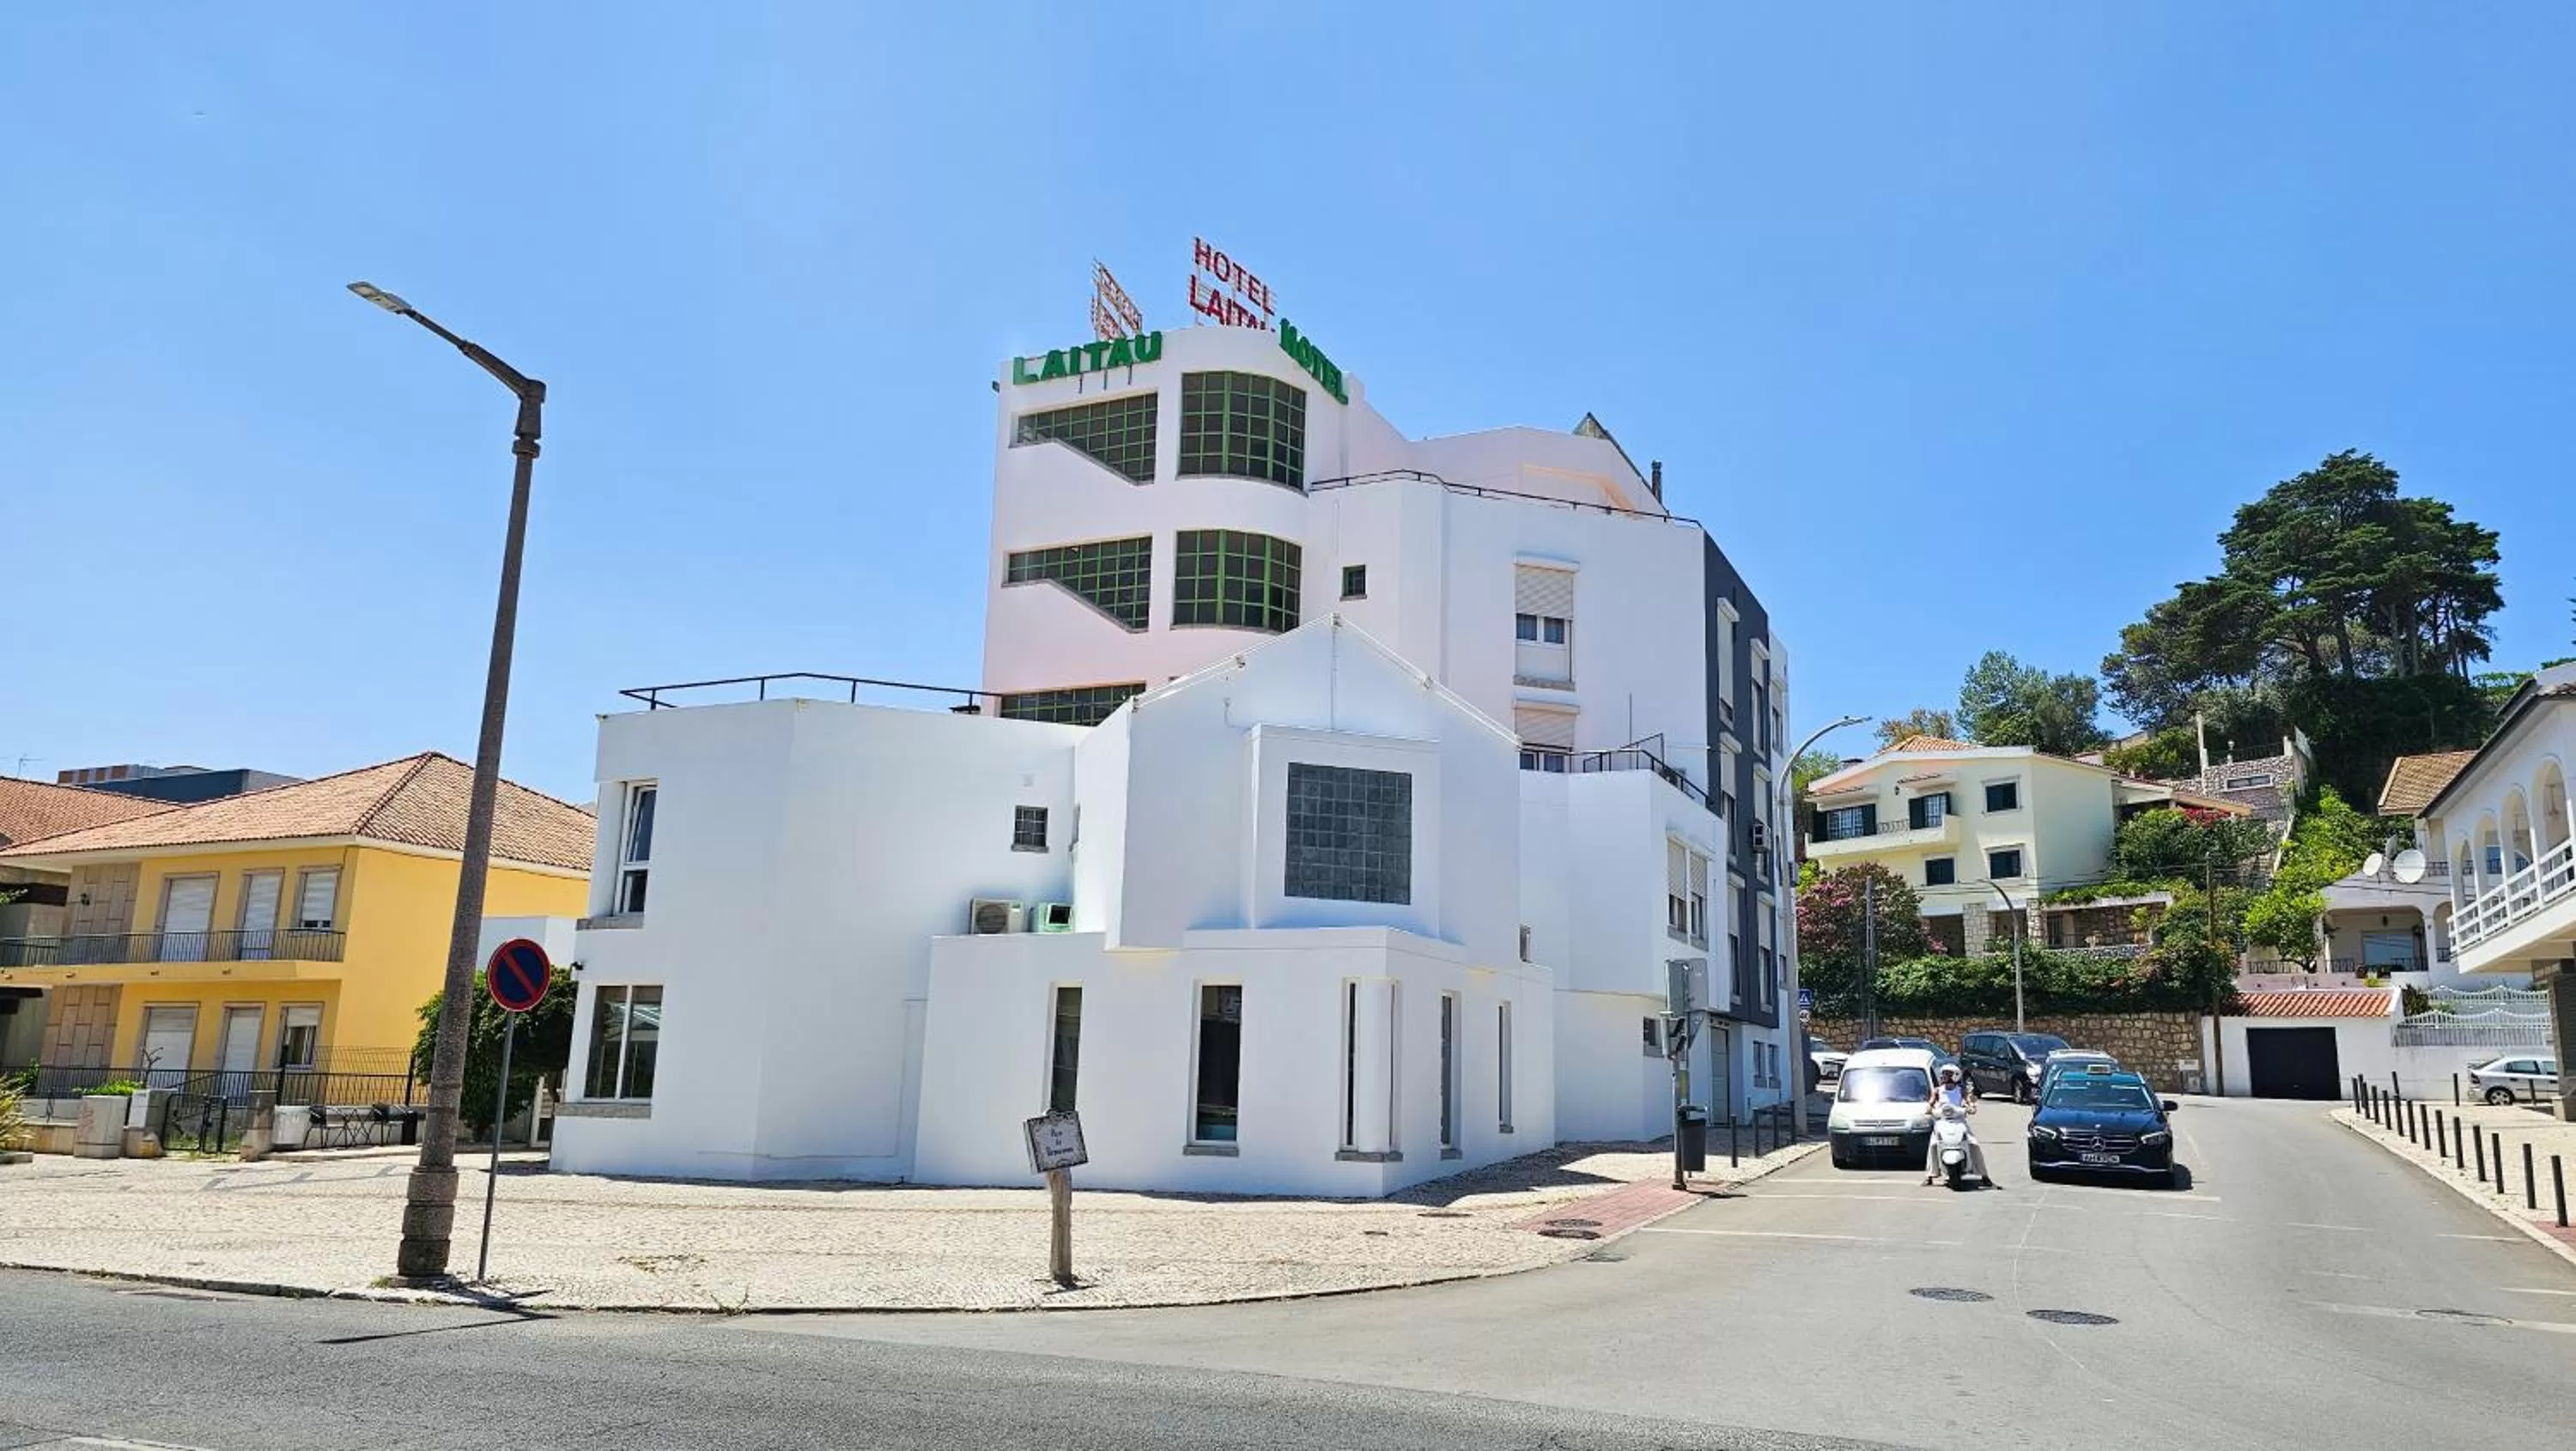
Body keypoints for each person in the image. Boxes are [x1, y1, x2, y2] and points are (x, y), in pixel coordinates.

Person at [1924, 1062, 1988, 1186]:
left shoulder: (1961, 1091)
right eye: (1943, 1074)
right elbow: (1931, 1102)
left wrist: (1971, 1107)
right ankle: (1930, 1175)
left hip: (1959, 1122)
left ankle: (1984, 1175)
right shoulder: (1938, 1091)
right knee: (1933, 1145)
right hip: (1942, 1123)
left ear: (1956, 1075)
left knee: (1973, 1143)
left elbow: (1968, 1102)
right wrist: (1928, 1108)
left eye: (1948, 1074)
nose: (1944, 1077)